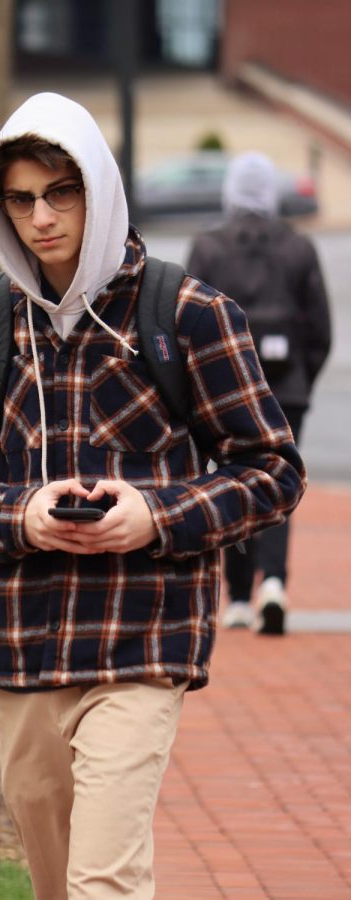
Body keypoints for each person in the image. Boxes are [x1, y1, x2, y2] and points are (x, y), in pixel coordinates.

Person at [0, 95, 306, 899]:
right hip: (20, 645)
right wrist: (19, 514)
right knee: (56, 883)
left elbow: (271, 471)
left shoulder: (188, 316)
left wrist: (153, 516)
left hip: (141, 640)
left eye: (62, 192)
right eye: (20, 199)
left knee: (103, 880)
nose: (41, 217)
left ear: (98, 187)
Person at [187, 152, 331, 635]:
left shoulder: (209, 248)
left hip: (222, 392)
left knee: (231, 479)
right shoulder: (299, 248)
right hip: (285, 387)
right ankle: (274, 582)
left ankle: (240, 596)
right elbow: (321, 328)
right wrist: (300, 383)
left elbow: (185, 323)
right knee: (281, 481)